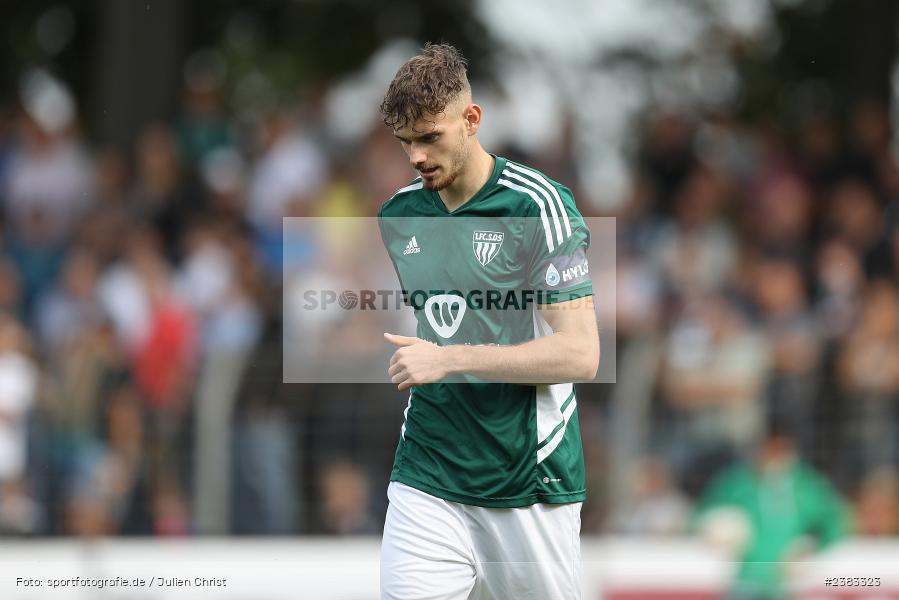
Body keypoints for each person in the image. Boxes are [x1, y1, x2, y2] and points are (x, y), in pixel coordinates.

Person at [376, 43, 600, 600]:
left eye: (431, 137)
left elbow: (580, 354)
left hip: (526, 477)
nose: (417, 157)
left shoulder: (537, 206)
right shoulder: (399, 215)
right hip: (428, 470)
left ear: (472, 120)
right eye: (406, 143)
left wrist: (447, 359)